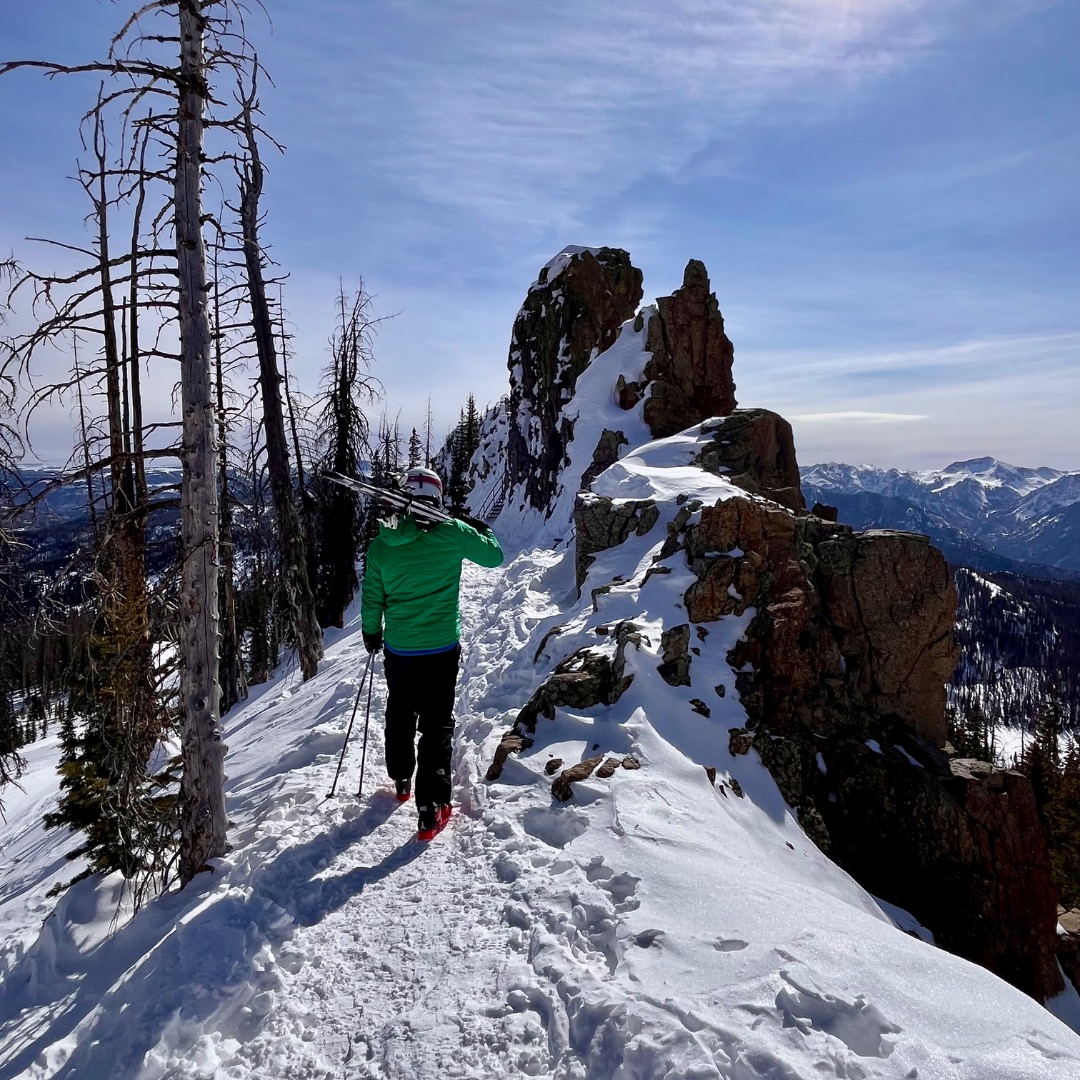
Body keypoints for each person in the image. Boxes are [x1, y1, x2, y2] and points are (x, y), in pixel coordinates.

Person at [361, 466, 504, 841]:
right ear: (438, 499)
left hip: (400, 648)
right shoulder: (453, 533)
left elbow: (373, 595)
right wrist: (480, 528)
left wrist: (371, 631)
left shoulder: (381, 544)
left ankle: (401, 778)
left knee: (401, 708)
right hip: (441, 646)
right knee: (437, 723)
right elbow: (493, 557)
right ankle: (431, 807)